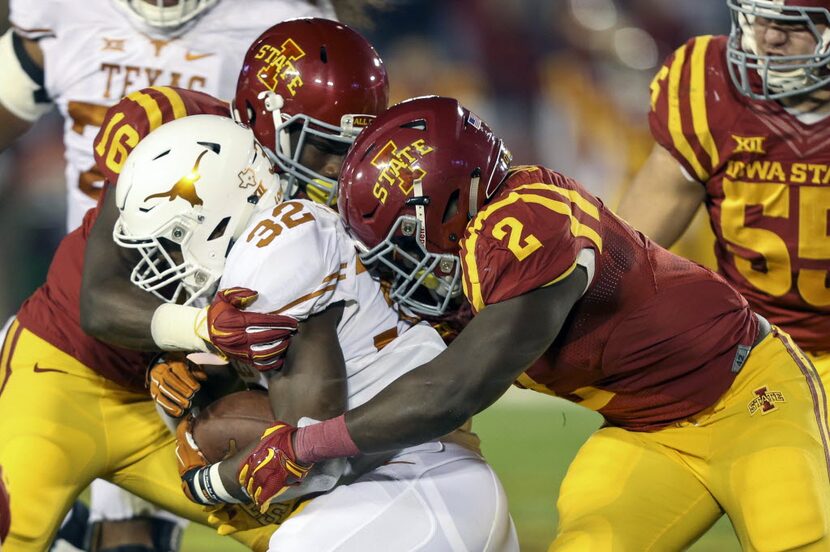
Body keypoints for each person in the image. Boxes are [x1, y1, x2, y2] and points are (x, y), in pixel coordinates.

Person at [213, 96, 830, 550]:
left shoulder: (529, 223)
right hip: (647, 432)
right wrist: (221, 363)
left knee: (796, 539)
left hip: (751, 397)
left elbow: (453, 388)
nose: (393, 265)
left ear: (453, 202)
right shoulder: (465, 247)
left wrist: (303, 445)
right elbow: (383, 369)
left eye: (399, 240)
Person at [0, 0, 335, 549]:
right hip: (66, 362)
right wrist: (203, 332)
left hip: (170, 390)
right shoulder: (173, 129)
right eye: (321, 142)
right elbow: (101, 300)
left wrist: (212, 378)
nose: (334, 168)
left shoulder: (307, 209)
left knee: (325, 529)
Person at [110, 112, 518, 551]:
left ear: (215, 218)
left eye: (173, 240)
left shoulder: (273, 253)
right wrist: (208, 388)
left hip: (421, 483)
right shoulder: (275, 248)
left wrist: (208, 483)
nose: (166, 259)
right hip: (416, 485)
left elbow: (309, 452)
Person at [616, 0, 830, 385]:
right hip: (748, 346)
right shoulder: (710, 88)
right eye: (760, 17)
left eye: (795, 27)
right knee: (610, 449)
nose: (769, 37)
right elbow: (624, 255)